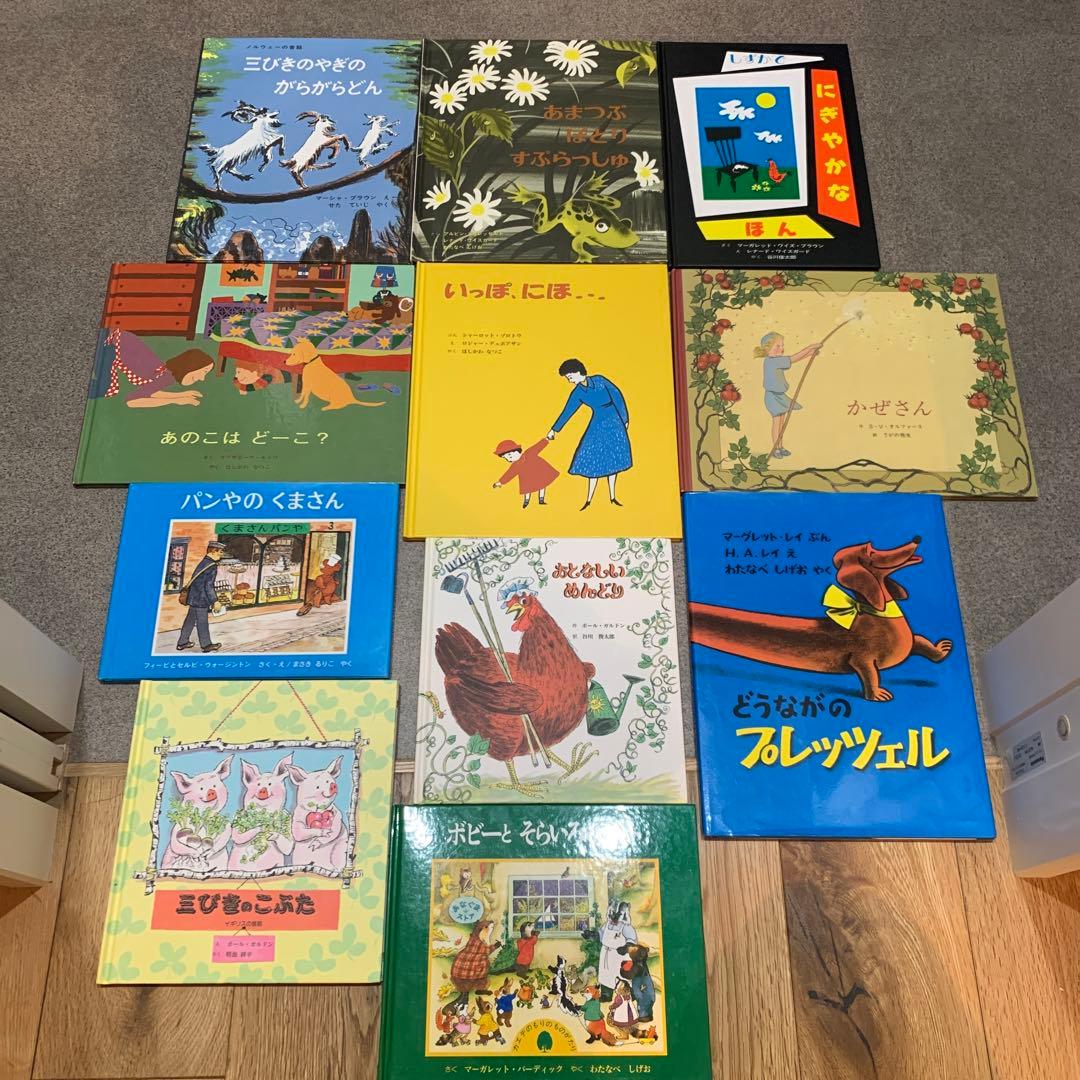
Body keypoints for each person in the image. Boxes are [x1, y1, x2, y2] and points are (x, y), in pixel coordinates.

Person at [546, 359, 631, 510]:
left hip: (614, 421)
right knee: (592, 458)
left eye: (570, 377)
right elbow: (567, 411)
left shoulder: (599, 380)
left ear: (578, 372)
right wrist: (554, 429)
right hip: (597, 422)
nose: (569, 381)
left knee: (613, 459)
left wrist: (624, 419)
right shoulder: (578, 392)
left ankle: (612, 496)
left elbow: (617, 396)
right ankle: (589, 499)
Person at [91, 329, 215, 408]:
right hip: (112, 343)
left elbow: (151, 391)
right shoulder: (165, 375)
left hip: (118, 341)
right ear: (192, 365)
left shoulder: (168, 374)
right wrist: (177, 400)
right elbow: (132, 401)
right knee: (107, 389)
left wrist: (181, 395)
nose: (202, 378)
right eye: (204, 371)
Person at [756, 332, 821, 458]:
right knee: (777, 423)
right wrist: (810, 348)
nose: (782, 349)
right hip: (773, 397)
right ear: (767, 348)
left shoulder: (775, 360)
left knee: (781, 423)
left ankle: (780, 447)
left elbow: (792, 360)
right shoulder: (772, 362)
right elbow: (793, 358)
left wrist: (810, 354)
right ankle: (776, 449)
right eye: (778, 346)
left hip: (780, 396)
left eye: (782, 345)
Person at [176, 540, 226, 653]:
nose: (221, 554)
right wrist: (215, 601)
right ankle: (206, 645)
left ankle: (182, 642)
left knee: (190, 621)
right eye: (220, 552)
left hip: (193, 597)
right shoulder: (211, 566)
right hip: (201, 599)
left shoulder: (204, 562)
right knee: (202, 622)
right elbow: (209, 586)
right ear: (213, 551)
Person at [492, 439, 560, 508]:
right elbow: (508, 475)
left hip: (539, 473)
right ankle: (526, 502)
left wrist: (547, 439)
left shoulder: (528, 453)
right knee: (527, 490)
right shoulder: (515, 466)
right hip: (527, 478)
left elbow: (538, 447)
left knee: (542, 486)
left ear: (517, 451)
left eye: (509, 454)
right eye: (505, 457)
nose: (509, 458)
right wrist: (500, 482)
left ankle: (541, 500)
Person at [598, 900, 636, 1002]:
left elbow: (631, 939)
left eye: (617, 915)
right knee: (605, 974)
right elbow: (601, 934)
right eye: (612, 914)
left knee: (622, 974)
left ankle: (630, 994)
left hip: (619, 955)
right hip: (606, 954)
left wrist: (627, 947)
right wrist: (593, 935)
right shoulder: (607, 924)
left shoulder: (625, 926)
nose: (614, 918)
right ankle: (606, 994)